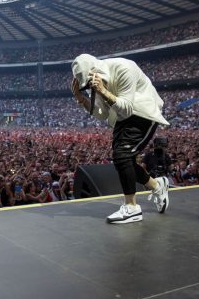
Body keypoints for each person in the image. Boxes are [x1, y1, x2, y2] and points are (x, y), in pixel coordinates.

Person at [71, 53, 170, 224]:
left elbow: (127, 109)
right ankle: (156, 185)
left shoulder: (124, 68)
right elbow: (102, 115)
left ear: (95, 72)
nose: (88, 86)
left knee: (122, 155)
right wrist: (81, 99)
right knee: (122, 160)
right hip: (123, 117)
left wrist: (103, 90)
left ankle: (132, 208)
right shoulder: (95, 81)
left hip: (143, 112)